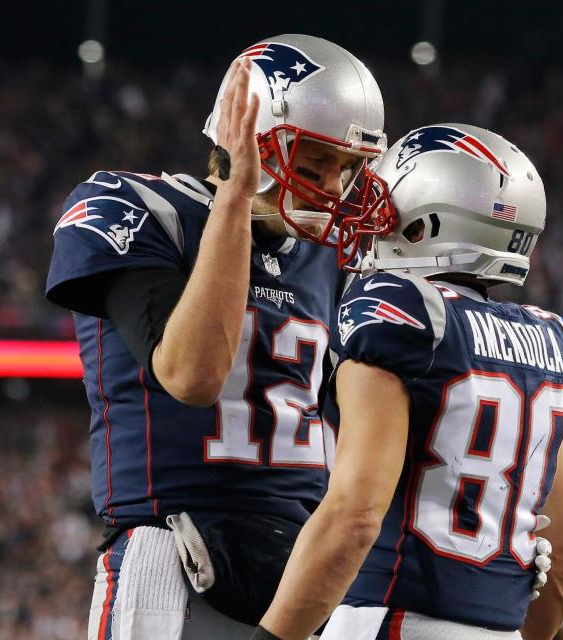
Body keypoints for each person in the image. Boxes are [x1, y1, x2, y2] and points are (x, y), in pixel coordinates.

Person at [45, 34, 392, 639]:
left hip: (302, 562)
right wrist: (234, 197)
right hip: (170, 550)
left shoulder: (334, 261)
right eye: (316, 165)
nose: (335, 190)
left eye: (347, 169)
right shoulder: (142, 207)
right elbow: (193, 375)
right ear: (252, 142)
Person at [253, 124, 563, 640]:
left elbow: (356, 515)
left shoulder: (399, 311)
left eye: (385, 205)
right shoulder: (549, 338)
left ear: (427, 223)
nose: (369, 217)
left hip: (391, 617)